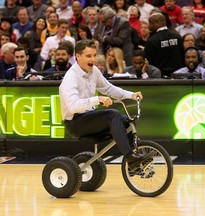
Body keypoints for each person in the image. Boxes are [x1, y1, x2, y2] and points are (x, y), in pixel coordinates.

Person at [59, 39, 155, 171]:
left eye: (94, 55)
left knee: (127, 120)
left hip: (89, 117)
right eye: (88, 56)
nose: (92, 59)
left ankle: (135, 164)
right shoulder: (70, 78)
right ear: (78, 56)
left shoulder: (94, 71)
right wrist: (97, 99)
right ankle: (131, 158)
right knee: (112, 114)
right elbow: (73, 106)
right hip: (75, 123)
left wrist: (131, 95)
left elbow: (108, 88)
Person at [145, 12, 184, 78]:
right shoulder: (177, 36)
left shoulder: (152, 40)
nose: (149, 26)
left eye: (150, 23)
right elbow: (182, 55)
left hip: (160, 77)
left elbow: (149, 61)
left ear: (157, 23)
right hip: (178, 75)